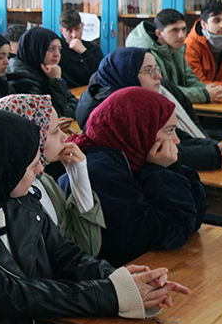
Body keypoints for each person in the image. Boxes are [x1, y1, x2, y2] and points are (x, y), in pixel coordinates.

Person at [0, 109, 190, 324]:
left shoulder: (15, 197)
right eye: (29, 165)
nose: (40, 169)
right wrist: (113, 295)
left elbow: (65, 254)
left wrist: (120, 279)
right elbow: (12, 295)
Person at [67, 87, 208, 267]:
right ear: (139, 129)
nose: (177, 141)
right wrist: (160, 172)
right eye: (170, 131)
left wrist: (168, 168)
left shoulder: (135, 155)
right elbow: (169, 234)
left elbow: (195, 216)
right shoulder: (100, 171)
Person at [0, 94, 104, 256]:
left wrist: (79, 177)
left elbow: (86, 247)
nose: (64, 137)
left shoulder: (44, 181)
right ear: (30, 139)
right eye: (54, 131)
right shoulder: (11, 199)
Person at [76, 47, 222, 171]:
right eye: (149, 71)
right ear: (127, 75)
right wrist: (212, 155)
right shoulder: (110, 112)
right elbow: (155, 151)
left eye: (156, 69)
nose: (158, 76)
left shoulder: (158, 93)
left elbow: (177, 133)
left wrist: (212, 146)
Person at [126, 8, 222, 104]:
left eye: (184, 29)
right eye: (174, 30)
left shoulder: (176, 48)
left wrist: (210, 90)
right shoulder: (145, 55)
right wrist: (204, 94)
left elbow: (190, 80)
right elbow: (162, 91)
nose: (181, 35)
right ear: (159, 33)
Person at [6, 26, 78, 118]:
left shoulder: (46, 70)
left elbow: (74, 103)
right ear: (35, 49)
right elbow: (53, 116)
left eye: (59, 49)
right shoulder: (20, 78)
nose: (57, 54)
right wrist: (56, 80)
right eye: (51, 49)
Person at [58, 9, 104, 88]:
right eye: (69, 31)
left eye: (77, 29)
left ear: (82, 26)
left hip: (88, 94)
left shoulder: (93, 49)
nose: (74, 35)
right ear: (62, 31)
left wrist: (84, 52)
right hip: (66, 94)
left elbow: (101, 75)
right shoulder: (58, 49)